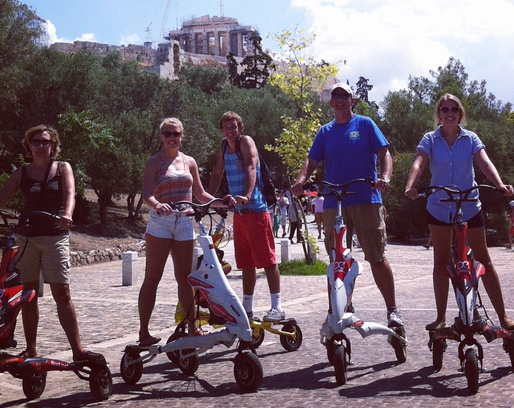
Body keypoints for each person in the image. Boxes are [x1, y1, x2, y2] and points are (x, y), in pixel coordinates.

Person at [0, 124, 99, 361]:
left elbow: (70, 195)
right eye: (36, 142)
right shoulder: (22, 173)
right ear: (29, 146)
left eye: (45, 142)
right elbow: (0, 197)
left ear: (53, 146)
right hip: (27, 237)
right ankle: (31, 348)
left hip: (55, 236)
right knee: (27, 295)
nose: (40, 146)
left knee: (62, 292)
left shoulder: (62, 168)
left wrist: (68, 214)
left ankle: (78, 350)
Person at [292, 82, 404, 329]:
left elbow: (385, 153)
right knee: (336, 259)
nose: (340, 100)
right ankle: (337, 308)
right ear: (331, 103)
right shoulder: (325, 131)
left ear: (352, 100)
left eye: (345, 96)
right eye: (336, 96)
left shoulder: (365, 124)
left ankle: (393, 310)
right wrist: (301, 181)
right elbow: (311, 161)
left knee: (376, 255)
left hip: (366, 198)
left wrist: (384, 177)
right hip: (334, 201)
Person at [404, 93, 514, 331]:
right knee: (441, 263)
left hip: (468, 205)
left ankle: (503, 316)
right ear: (439, 114)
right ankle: (440, 317)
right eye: (444, 109)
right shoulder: (430, 139)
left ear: (460, 114)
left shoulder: (470, 138)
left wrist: (499, 184)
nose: (449, 114)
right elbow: (419, 162)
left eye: (454, 110)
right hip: (439, 206)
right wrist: (410, 185)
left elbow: (484, 162)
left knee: (484, 259)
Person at [138, 118, 219, 345]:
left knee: (185, 279)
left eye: (176, 134)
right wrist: (156, 204)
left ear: (182, 136)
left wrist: (223, 203)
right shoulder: (154, 162)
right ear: (161, 136)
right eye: (167, 133)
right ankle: (144, 332)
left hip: (184, 222)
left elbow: (200, 195)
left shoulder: (189, 162)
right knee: (152, 278)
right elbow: (146, 193)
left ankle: (192, 328)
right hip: (160, 223)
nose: (172, 138)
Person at [209, 111, 285, 322]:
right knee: (247, 264)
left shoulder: (246, 142)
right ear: (222, 131)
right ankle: (247, 308)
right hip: (240, 214)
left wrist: (248, 195)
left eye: (234, 127)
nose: (230, 131)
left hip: (256, 210)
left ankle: (277, 307)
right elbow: (217, 172)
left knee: (268, 261)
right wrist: (206, 200)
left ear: (240, 128)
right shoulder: (224, 146)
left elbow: (252, 167)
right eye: (226, 128)